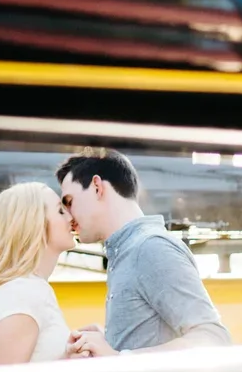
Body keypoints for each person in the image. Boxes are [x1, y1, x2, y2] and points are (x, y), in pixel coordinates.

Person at [57, 149, 230, 357]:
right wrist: (110, 342)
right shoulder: (127, 251)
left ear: (96, 187)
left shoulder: (150, 248)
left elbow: (214, 338)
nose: (68, 215)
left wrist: (118, 358)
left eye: (69, 202)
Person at [0, 181, 77, 365]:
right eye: (60, 211)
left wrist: (69, 358)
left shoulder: (28, 289)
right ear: (33, 224)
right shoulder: (22, 293)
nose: (71, 218)